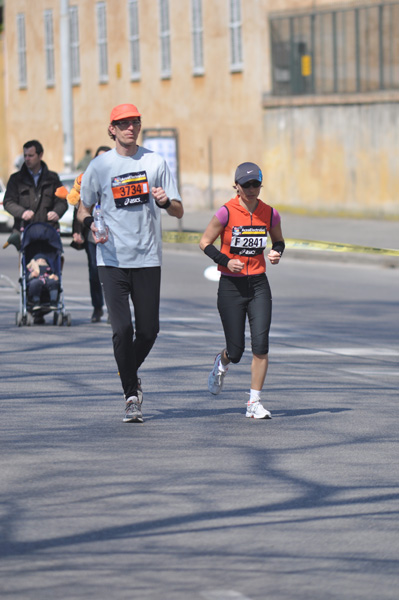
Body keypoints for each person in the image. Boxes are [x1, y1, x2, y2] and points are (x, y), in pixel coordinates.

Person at [78, 103, 183, 423]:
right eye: (123, 123)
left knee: (149, 330)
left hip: (148, 258)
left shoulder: (154, 162)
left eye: (135, 122)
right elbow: (83, 209)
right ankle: (131, 395)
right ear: (111, 129)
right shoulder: (99, 167)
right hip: (111, 259)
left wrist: (166, 202)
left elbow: (179, 210)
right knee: (122, 329)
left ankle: (128, 371)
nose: (130, 127)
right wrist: (88, 226)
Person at [199, 162, 285, 419]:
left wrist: (277, 252)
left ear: (261, 185)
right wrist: (226, 261)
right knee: (235, 351)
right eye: (245, 185)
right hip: (231, 286)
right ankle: (221, 362)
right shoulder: (226, 212)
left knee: (261, 345)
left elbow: (279, 240)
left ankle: (254, 402)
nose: (250, 189)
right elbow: (204, 242)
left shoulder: (270, 213)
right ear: (236, 186)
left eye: (255, 184)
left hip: (258, 283)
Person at [71, 145, 111, 322]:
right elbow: (79, 208)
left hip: (113, 236)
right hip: (91, 235)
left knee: (112, 274)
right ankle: (97, 308)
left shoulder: (116, 179)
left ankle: (113, 309)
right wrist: (77, 231)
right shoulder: (87, 179)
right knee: (94, 272)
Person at [4, 140, 67, 233]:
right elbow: (8, 202)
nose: (27, 159)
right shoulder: (16, 179)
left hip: (48, 230)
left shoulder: (52, 178)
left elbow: (62, 201)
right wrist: (22, 213)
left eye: (30, 155)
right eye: (25, 156)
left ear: (40, 155)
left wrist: (56, 212)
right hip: (24, 230)